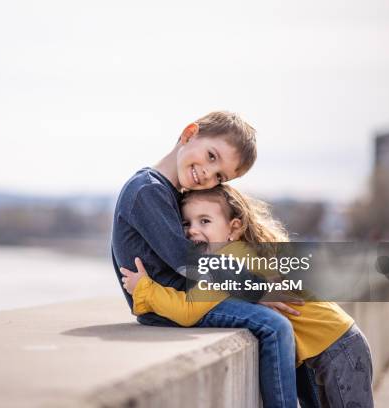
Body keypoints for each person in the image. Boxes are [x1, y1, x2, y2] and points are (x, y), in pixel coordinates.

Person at [121, 185, 374, 408]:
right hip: (331, 345)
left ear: (234, 227)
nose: (192, 231)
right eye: (186, 224)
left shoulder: (228, 261)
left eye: (205, 221)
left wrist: (145, 289)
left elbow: (188, 311)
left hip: (340, 349)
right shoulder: (240, 253)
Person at [111, 111, 299, 408]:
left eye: (220, 176)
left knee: (289, 319)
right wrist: (255, 289)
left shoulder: (169, 192)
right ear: (188, 134)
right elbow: (187, 259)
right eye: (211, 156)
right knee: (276, 327)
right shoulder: (148, 190)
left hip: (192, 295)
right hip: (170, 304)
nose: (208, 175)